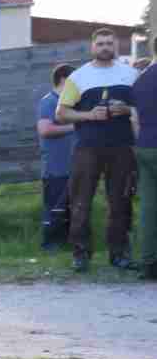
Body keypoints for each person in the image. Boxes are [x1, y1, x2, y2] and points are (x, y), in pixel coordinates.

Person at [56, 29, 140, 272]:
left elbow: (140, 108)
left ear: (116, 46)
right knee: (81, 202)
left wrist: (126, 110)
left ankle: (119, 254)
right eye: (100, 43)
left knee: (121, 202)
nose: (105, 47)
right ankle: (80, 255)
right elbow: (61, 113)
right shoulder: (79, 77)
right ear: (92, 47)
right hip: (87, 148)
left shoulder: (131, 74)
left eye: (109, 43)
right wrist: (89, 115)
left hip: (122, 147)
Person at [36, 64, 77, 249]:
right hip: (56, 168)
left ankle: (68, 246)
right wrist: (74, 127)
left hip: (73, 166)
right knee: (56, 209)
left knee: (71, 210)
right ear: (64, 79)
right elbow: (45, 129)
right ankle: (51, 247)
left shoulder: (70, 104)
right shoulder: (49, 101)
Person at [130, 59, 154, 279]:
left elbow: (134, 120)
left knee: (148, 205)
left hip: (144, 146)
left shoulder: (138, 81)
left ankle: (148, 262)